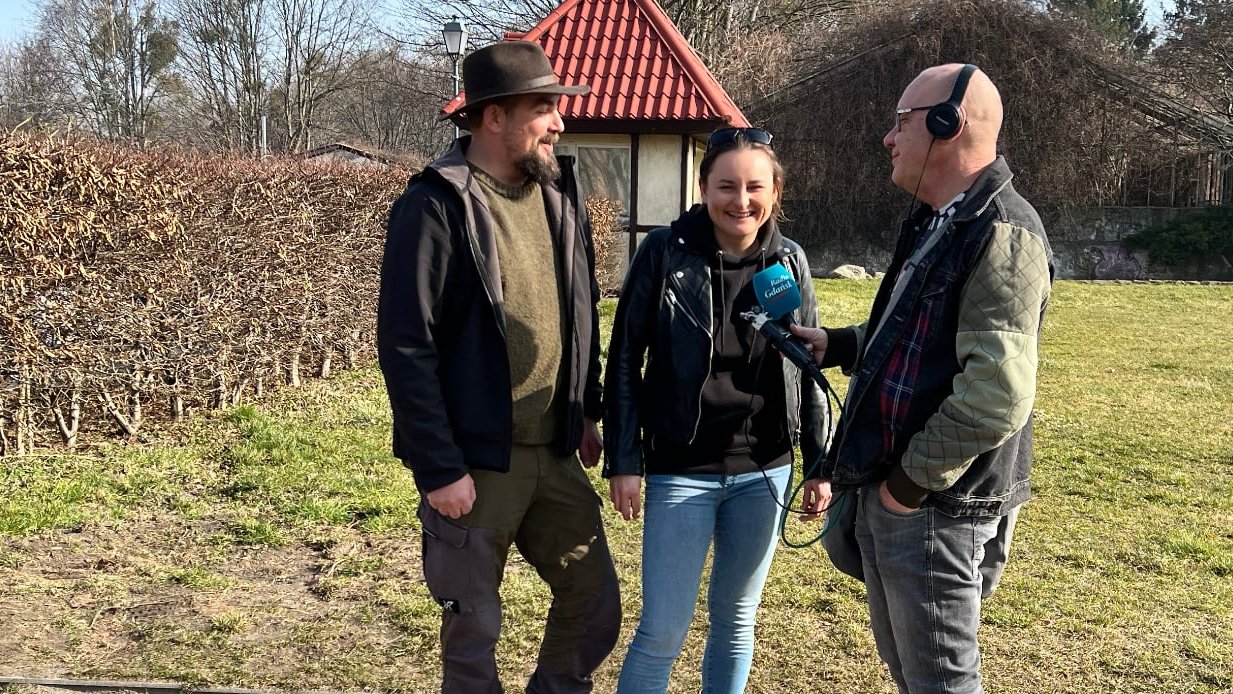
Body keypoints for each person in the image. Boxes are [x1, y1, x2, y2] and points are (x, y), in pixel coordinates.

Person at [790, 63, 1054, 694]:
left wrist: (905, 489)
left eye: (901, 121)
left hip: (937, 503)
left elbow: (996, 396)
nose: (888, 137)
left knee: (941, 681)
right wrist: (841, 344)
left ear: (947, 124)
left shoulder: (1002, 232)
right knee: (913, 672)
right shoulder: (944, 218)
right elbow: (921, 334)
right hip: (907, 493)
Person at [376, 40, 620, 694]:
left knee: (595, 604)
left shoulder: (559, 194)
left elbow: (580, 313)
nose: (559, 122)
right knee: (473, 628)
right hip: (476, 463)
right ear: (493, 117)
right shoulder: (433, 207)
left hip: (555, 450)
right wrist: (438, 466)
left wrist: (585, 410)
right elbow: (405, 346)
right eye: (543, 107)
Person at [603, 127, 831, 694]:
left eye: (756, 186)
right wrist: (624, 458)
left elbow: (805, 362)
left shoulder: (790, 261)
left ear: (776, 192)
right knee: (661, 630)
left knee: (736, 621)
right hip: (683, 468)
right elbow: (625, 358)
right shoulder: (663, 253)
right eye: (726, 186)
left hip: (765, 468)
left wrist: (819, 461)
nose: (741, 200)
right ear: (703, 188)